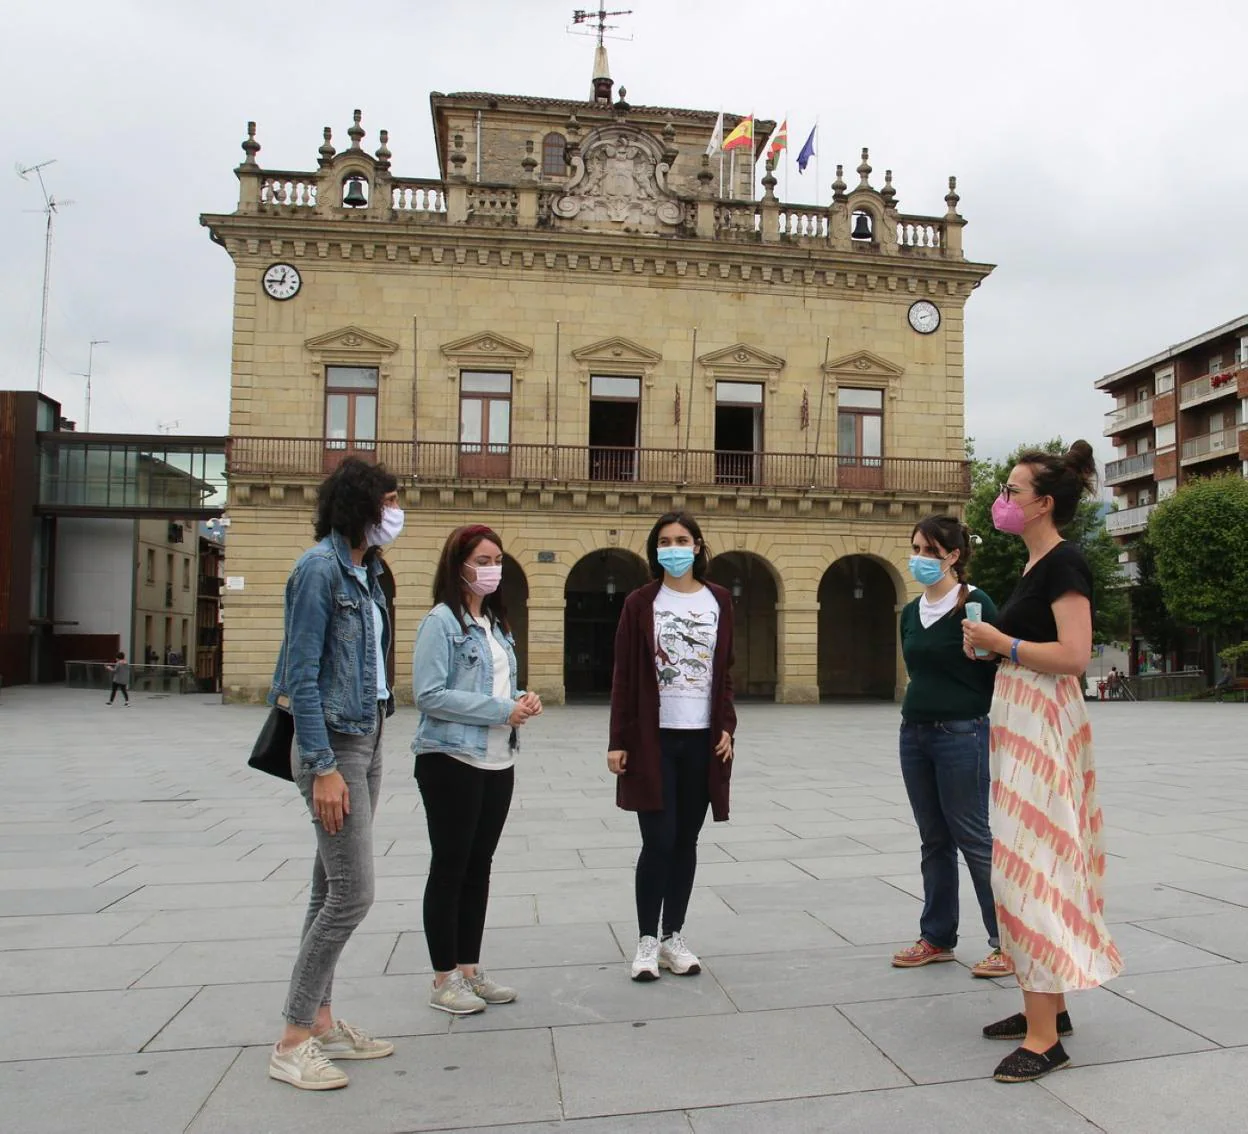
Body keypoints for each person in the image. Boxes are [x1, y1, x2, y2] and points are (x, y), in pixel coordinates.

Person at [963, 440, 1123, 1084]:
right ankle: (1046, 1010)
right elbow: (1036, 648)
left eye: (1011, 491)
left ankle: (1043, 1037)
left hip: (1043, 728)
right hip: (1020, 719)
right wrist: (997, 650)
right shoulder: (1035, 566)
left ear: (1042, 504)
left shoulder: (1065, 563)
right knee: (1028, 865)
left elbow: (1076, 656)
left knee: (1031, 868)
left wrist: (1006, 642)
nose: (1002, 500)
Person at [267, 458, 402, 1091]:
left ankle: (319, 1020)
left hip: (367, 738)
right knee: (354, 893)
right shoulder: (318, 570)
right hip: (334, 747)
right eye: (391, 500)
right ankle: (292, 1037)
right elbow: (300, 675)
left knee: (329, 889)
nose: (398, 513)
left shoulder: (369, 572)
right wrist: (322, 766)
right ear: (362, 505)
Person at [412, 525, 542, 1015]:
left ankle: (469, 969)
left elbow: (498, 685)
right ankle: (444, 978)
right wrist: (498, 709)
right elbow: (429, 695)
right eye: (483, 559)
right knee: (450, 866)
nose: (493, 568)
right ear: (459, 564)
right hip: (450, 759)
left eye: (498, 559)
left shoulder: (496, 624)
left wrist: (522, 701)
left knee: (479, 867)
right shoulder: (440, 623)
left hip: (497, 760)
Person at [607, 512, 736, 982]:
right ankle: (645, 940)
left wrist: (726, 726)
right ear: (654, 549)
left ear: (699, 546)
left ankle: (673, 937)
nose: (674, 547)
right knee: (657, 840)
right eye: (665, 541)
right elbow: (623, 674)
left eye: (682, 540)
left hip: (702, 740)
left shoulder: (718, 599)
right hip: (652, 739)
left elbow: (725, 673)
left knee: (686, 841)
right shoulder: (641, 602)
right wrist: (617, 740)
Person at [893, 516, 1012, 979]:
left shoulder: (975, 603)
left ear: (953, 556)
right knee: (933, 839)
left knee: (973, 836)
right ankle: (937, 937)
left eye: (929, 550)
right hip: (914, 732)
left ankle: (1006, 941)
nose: (919, 558)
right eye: (916, 547)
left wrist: (983, 653)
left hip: (962, 732)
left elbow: (1000, 664)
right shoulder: (909, 612)